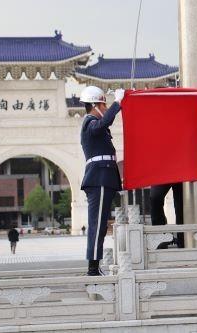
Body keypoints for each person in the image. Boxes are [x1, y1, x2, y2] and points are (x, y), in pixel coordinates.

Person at [80, 86, 125, 276]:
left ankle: (94, 265)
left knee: (100, 224)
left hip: (104, 179)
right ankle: (92, 268)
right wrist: (118, 102)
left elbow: (106, 122)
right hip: (98, 180)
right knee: (97, 224)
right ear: (94, 106)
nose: (105, 108)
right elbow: (103, 123)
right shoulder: (90, 123)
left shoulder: (98, 125)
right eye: (103, 105)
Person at [150, 183, 184, 249]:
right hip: (162, 173)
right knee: (155, 197)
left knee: (181, 206)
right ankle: (161, 238)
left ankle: (182, 243)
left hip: (182, 174)